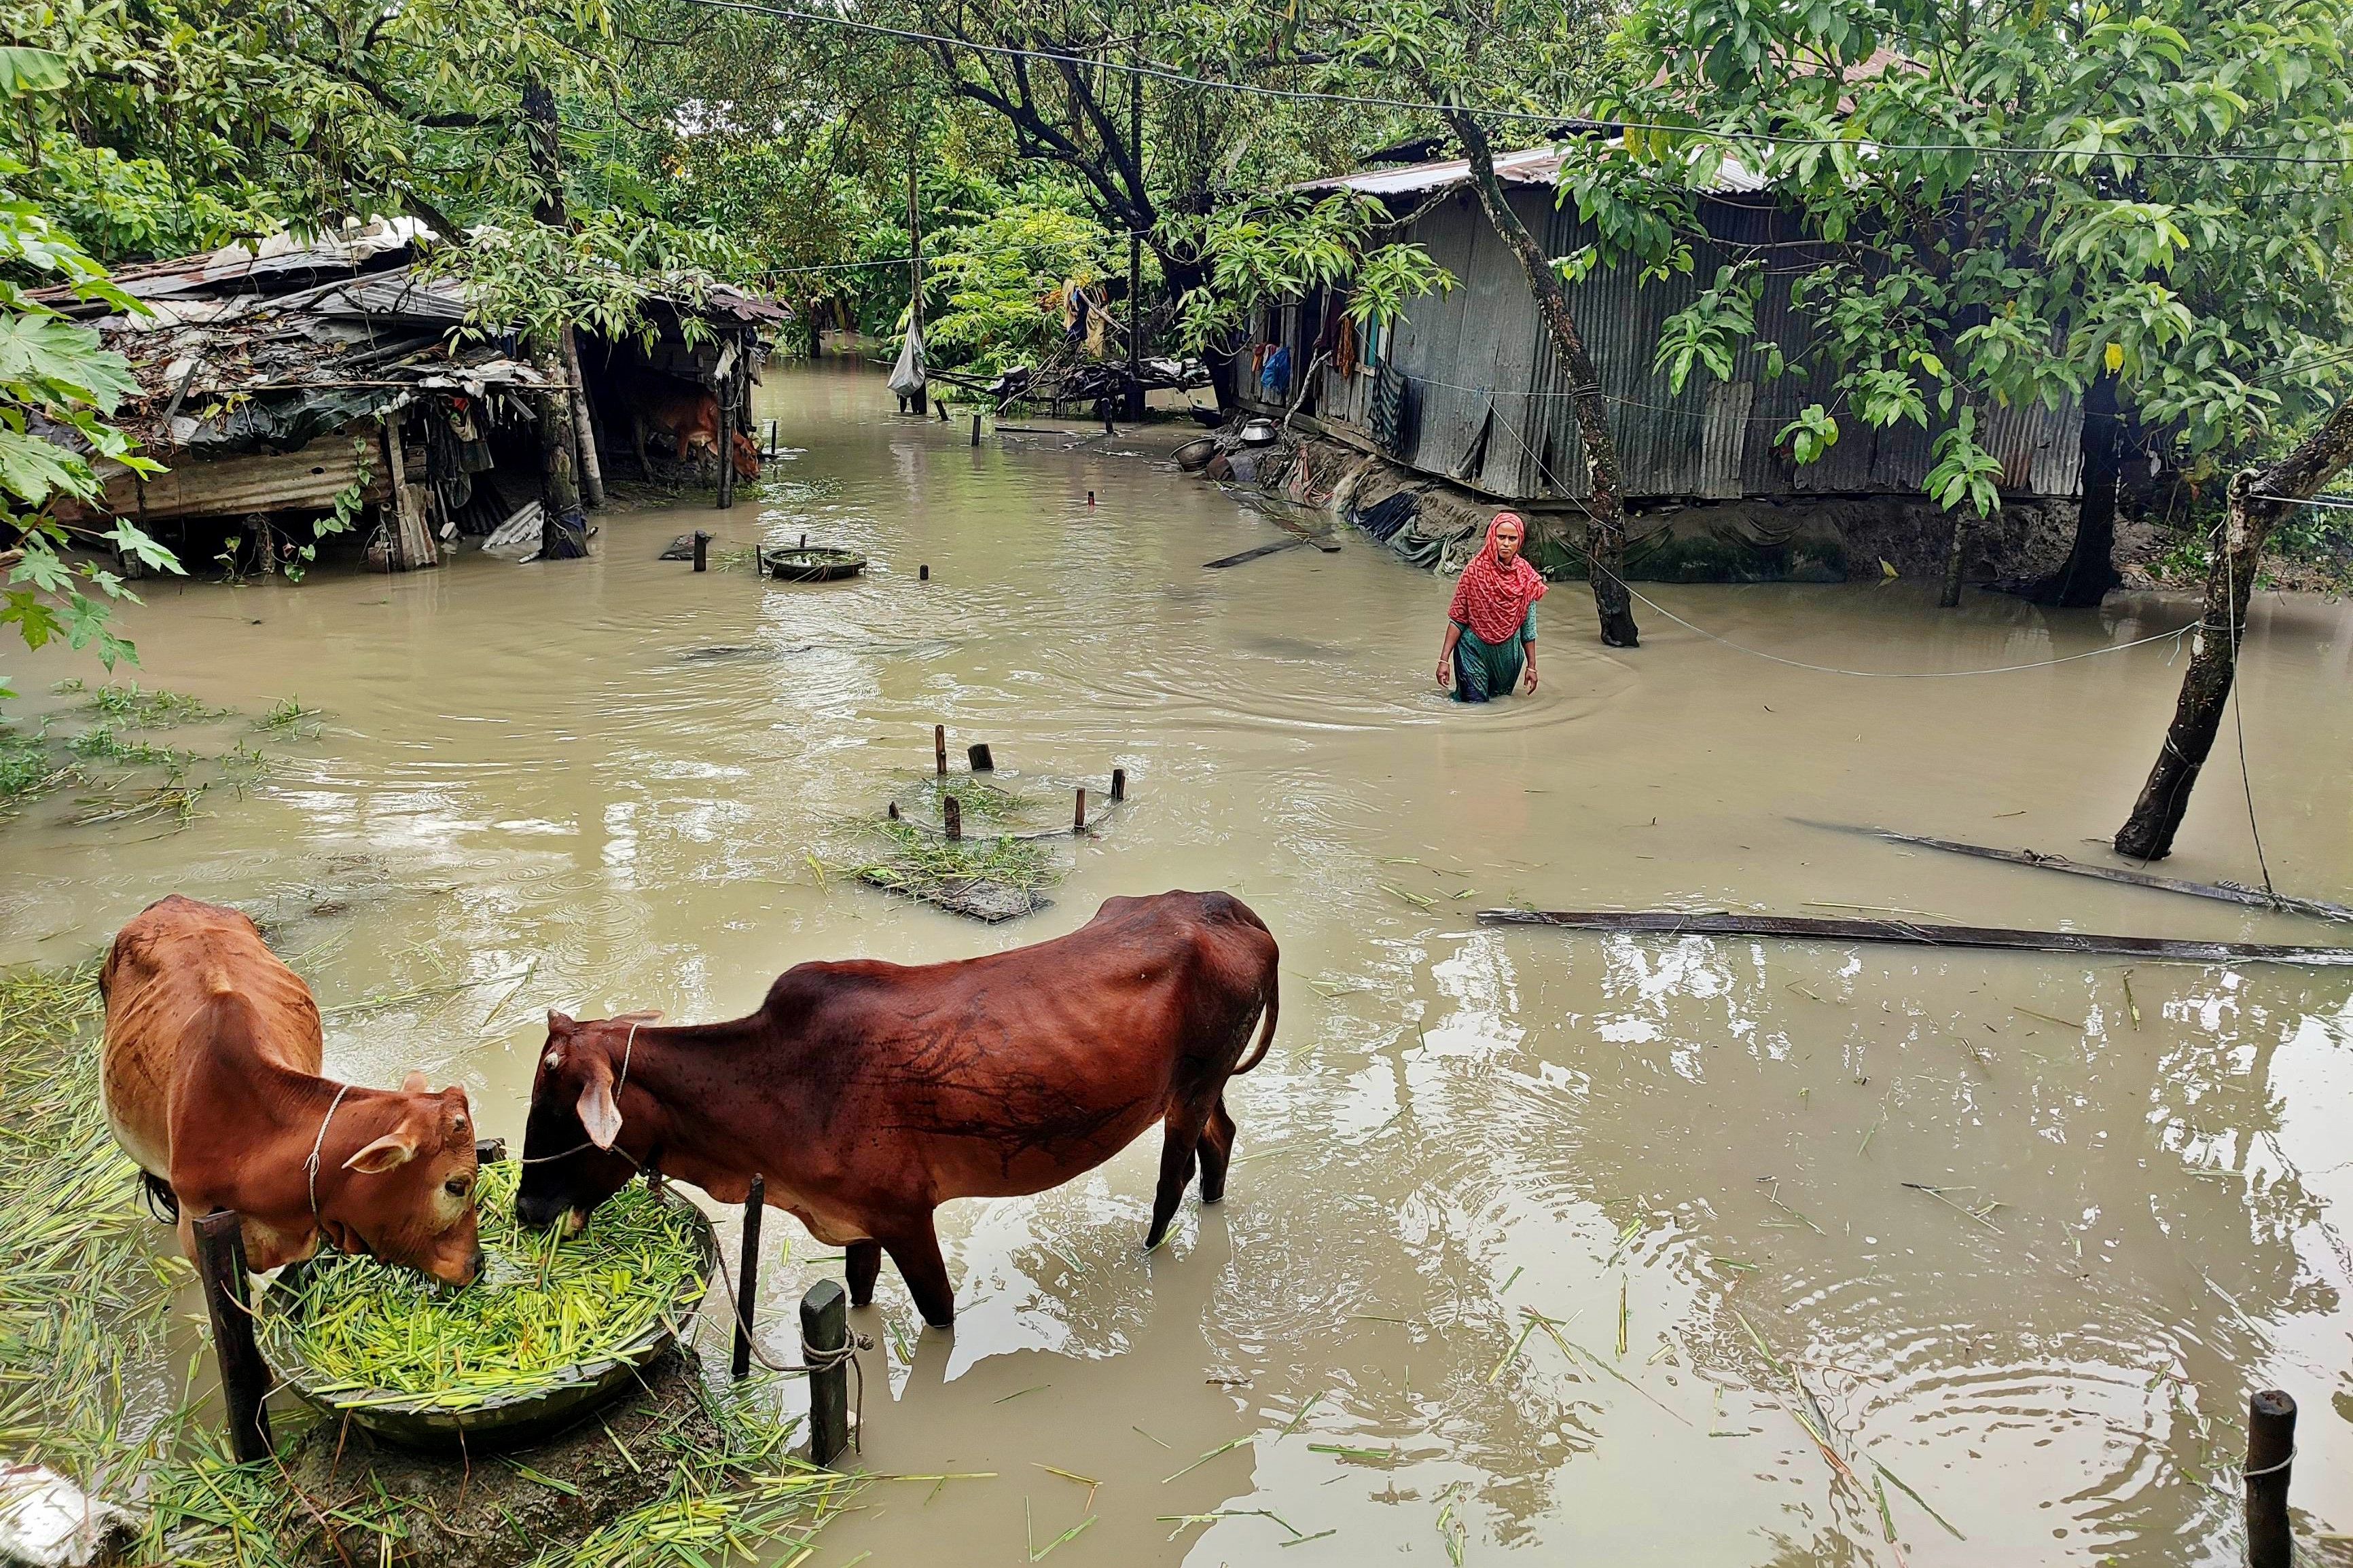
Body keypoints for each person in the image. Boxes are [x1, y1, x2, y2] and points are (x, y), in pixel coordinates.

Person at [1437, 512, 1545, 701]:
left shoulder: (1527, 576)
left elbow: (1528, 628)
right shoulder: (1474, 572)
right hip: (1473, 650)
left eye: (1512, 538)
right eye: (1501, 537)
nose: (1506, 543)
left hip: (1508, 659)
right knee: (1475, 707)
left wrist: (1532, 666)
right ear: (1491, 537)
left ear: (1520, 542)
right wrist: (1443, 660)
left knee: (1499, 703)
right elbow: (1458, 619)